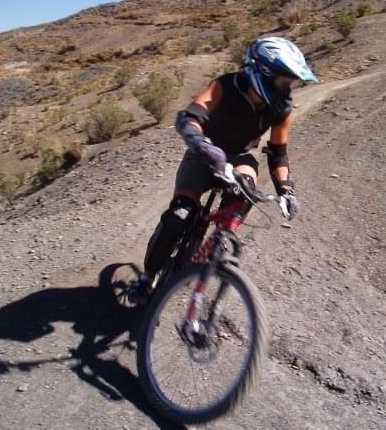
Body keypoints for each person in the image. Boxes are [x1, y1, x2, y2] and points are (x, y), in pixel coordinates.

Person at [129, 37, 317, 302]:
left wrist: (286, 191)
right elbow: (190, 117)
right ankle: (147, 277)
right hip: (205, 151)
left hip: (240, 155)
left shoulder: (281, 107)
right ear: (261, 71)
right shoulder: (224, 85)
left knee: (246, 191)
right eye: (282, 80)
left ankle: (217, 243)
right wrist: (202, 145)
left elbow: (277, 153)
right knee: (178, 216)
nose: (286, 87)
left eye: (290, 82)